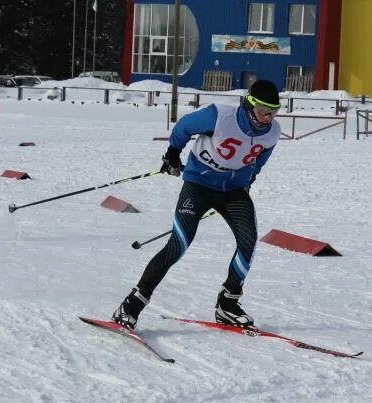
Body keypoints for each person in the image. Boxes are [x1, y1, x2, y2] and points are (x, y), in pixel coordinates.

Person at [112, 79, 283, 330]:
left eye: (273, 112)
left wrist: (249, 179)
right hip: (199, 187)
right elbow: (184, 127)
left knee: (248, 241)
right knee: (178, 244)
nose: (268, 118)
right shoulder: (220, 116)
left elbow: (261, 157)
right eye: (263, 112)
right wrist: (173, 153)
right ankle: (131, 306)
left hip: (233, 192)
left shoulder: (272, 131)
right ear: (249, 105)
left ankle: (228, 305)